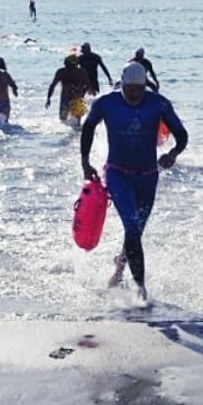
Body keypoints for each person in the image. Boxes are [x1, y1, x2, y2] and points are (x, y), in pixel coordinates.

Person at [80, 62, 188, 302]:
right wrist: (85, 162)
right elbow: (87, 129)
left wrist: (173, 154)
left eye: (140, 90)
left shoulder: (157, 103)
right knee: (131, 226)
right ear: (123, 84)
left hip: (148, 176)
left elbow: (182, 134)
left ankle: (119, 267)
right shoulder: (107, 103)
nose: (136, 94)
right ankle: (140, 288)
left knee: (136, 230)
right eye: (131, 90)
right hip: (118, 172)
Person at [45, 54, 91, 122]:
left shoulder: (61, 72)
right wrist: (82, 93)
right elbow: (88, 85)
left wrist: (48, 98)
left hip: (66, 97)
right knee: (77, 122)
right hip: (78, 97)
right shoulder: (81, 72)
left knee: (63, 120)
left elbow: (53, 86)